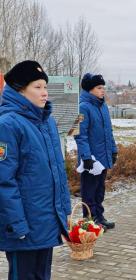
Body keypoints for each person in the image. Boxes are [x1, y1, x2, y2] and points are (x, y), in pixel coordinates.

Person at [0, 60, 71, 280]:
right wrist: (17, 225)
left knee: (42, 275)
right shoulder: (8, 124)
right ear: (20, 90)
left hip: (45, 220)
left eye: (45, 87)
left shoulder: (46, 121)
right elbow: (4, 180)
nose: (44, 93)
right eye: (37, 87)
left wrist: (64, 211)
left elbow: (57, 170)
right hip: (23, 225)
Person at [74, 73, 117, 230]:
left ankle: (99, 216)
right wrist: (86, 157)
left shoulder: (102, 106)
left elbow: (108, 131)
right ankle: (89, 221)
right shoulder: (83, 107)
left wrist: (113, 150)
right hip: (91, 159)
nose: (102, 90)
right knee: (89, 192)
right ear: (90, 90)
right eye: (99, 88)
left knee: (100, 190)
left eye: (103, 87)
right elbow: (79, 135)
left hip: (103, 156)